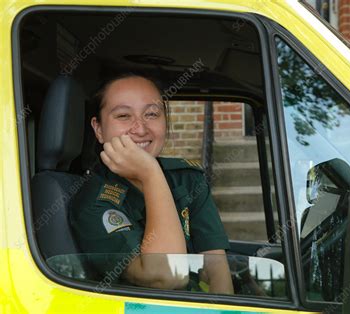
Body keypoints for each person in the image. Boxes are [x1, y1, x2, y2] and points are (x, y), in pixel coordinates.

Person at [69, 73, 234, 293]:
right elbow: (167, 276)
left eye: (152, 114)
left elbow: (215, 272)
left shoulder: (188, 179)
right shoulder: (93, 204)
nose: (140, 128)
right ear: (98, 129)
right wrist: (151, 174)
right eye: (123, 115)